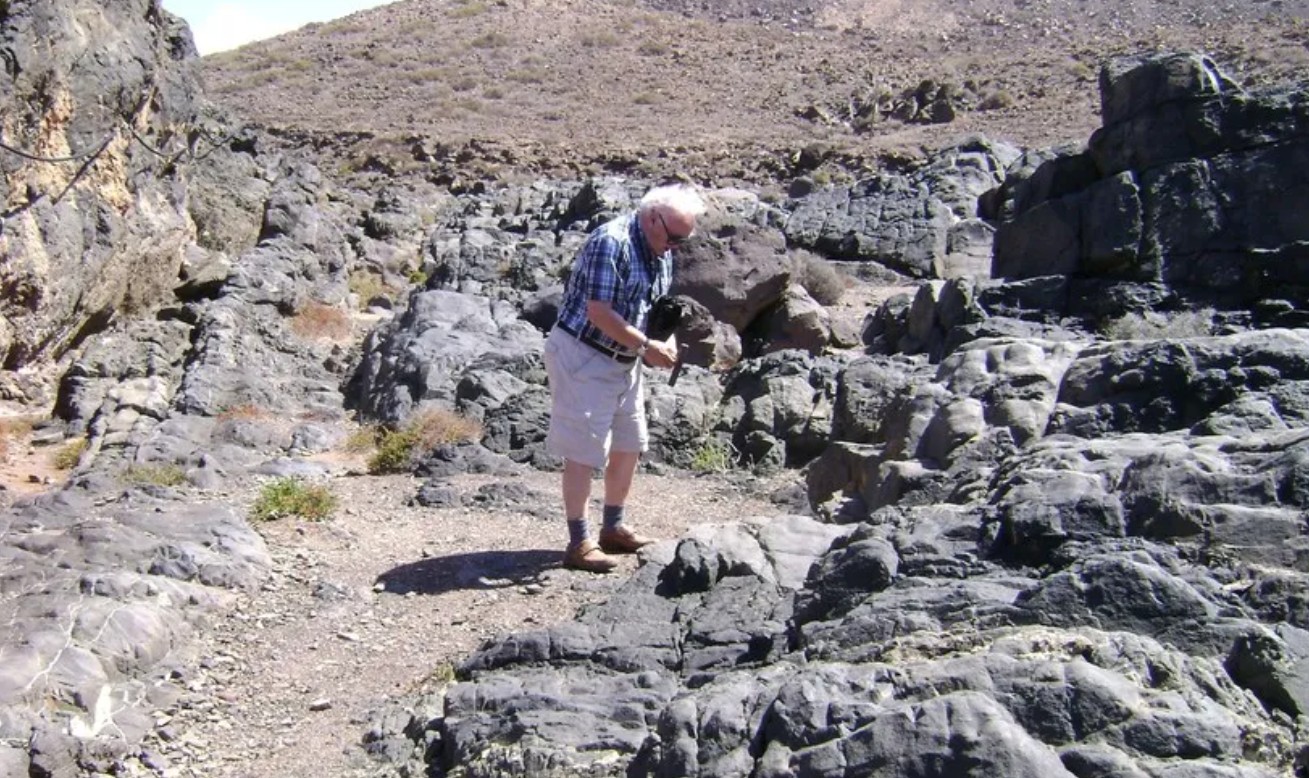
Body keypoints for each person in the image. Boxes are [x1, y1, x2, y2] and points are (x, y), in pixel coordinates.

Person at [543, 183, 707, 572]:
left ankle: (613, 528)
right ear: (652, 218)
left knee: (629, 443)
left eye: (685, 239)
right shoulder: (610, 242)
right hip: (584, 355)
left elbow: (652, 306)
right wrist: (647, 343)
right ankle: (578, 542)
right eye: (675, 237)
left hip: (624, 358)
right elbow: (599, 311)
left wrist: (661, 340)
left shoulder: (659, 248)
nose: (678, 246)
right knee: (584, 451)